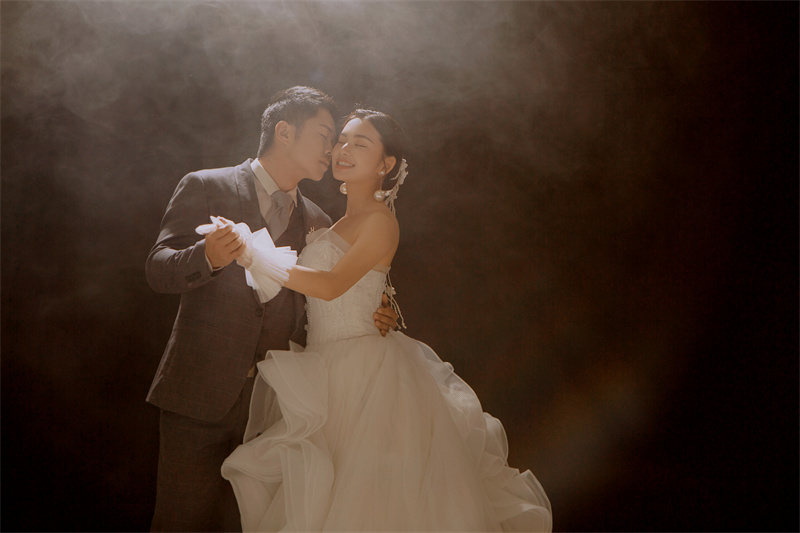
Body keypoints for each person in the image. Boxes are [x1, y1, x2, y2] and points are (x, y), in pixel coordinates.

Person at [220, 109, 552, 531]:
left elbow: (330, 286)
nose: (343, 150)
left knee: (369, 502)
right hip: (324, 366)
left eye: (360, 144)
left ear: (386, 164)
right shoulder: (333, 221)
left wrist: (253, 256)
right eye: (341, 140)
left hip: (364, 373)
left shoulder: (380, 221)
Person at [145, 87, 398, 532]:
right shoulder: (207, 185)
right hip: (199, 396)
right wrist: (207, 257)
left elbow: (336, 291)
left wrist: (380, 312)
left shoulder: (319, 221)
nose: (333, 149)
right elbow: (158, 269)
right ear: (284, 131)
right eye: (325, 136)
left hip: (280, 407)